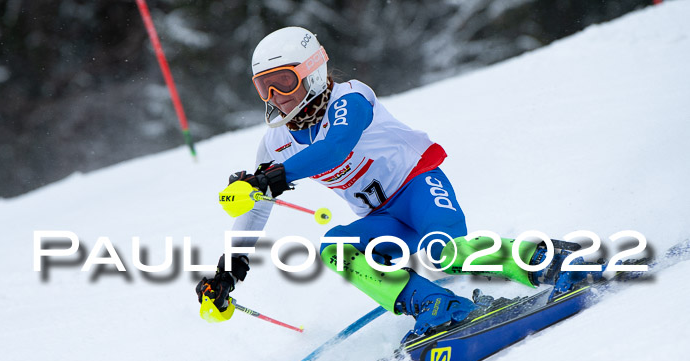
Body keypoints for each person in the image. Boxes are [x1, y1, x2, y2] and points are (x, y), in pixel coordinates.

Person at [196, 27, 554, 339]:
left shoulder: (350, 97)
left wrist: (269, 178)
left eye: (284, 81)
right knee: (336, 248)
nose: (275, 96)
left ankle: (544, 260)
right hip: (384, 218)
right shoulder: (275, 144)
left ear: (313, 73)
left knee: (443, 254)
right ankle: (436, 306)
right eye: (264, 86)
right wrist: (229, 269)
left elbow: (336, 147)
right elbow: (257, 208)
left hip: (418, 187)